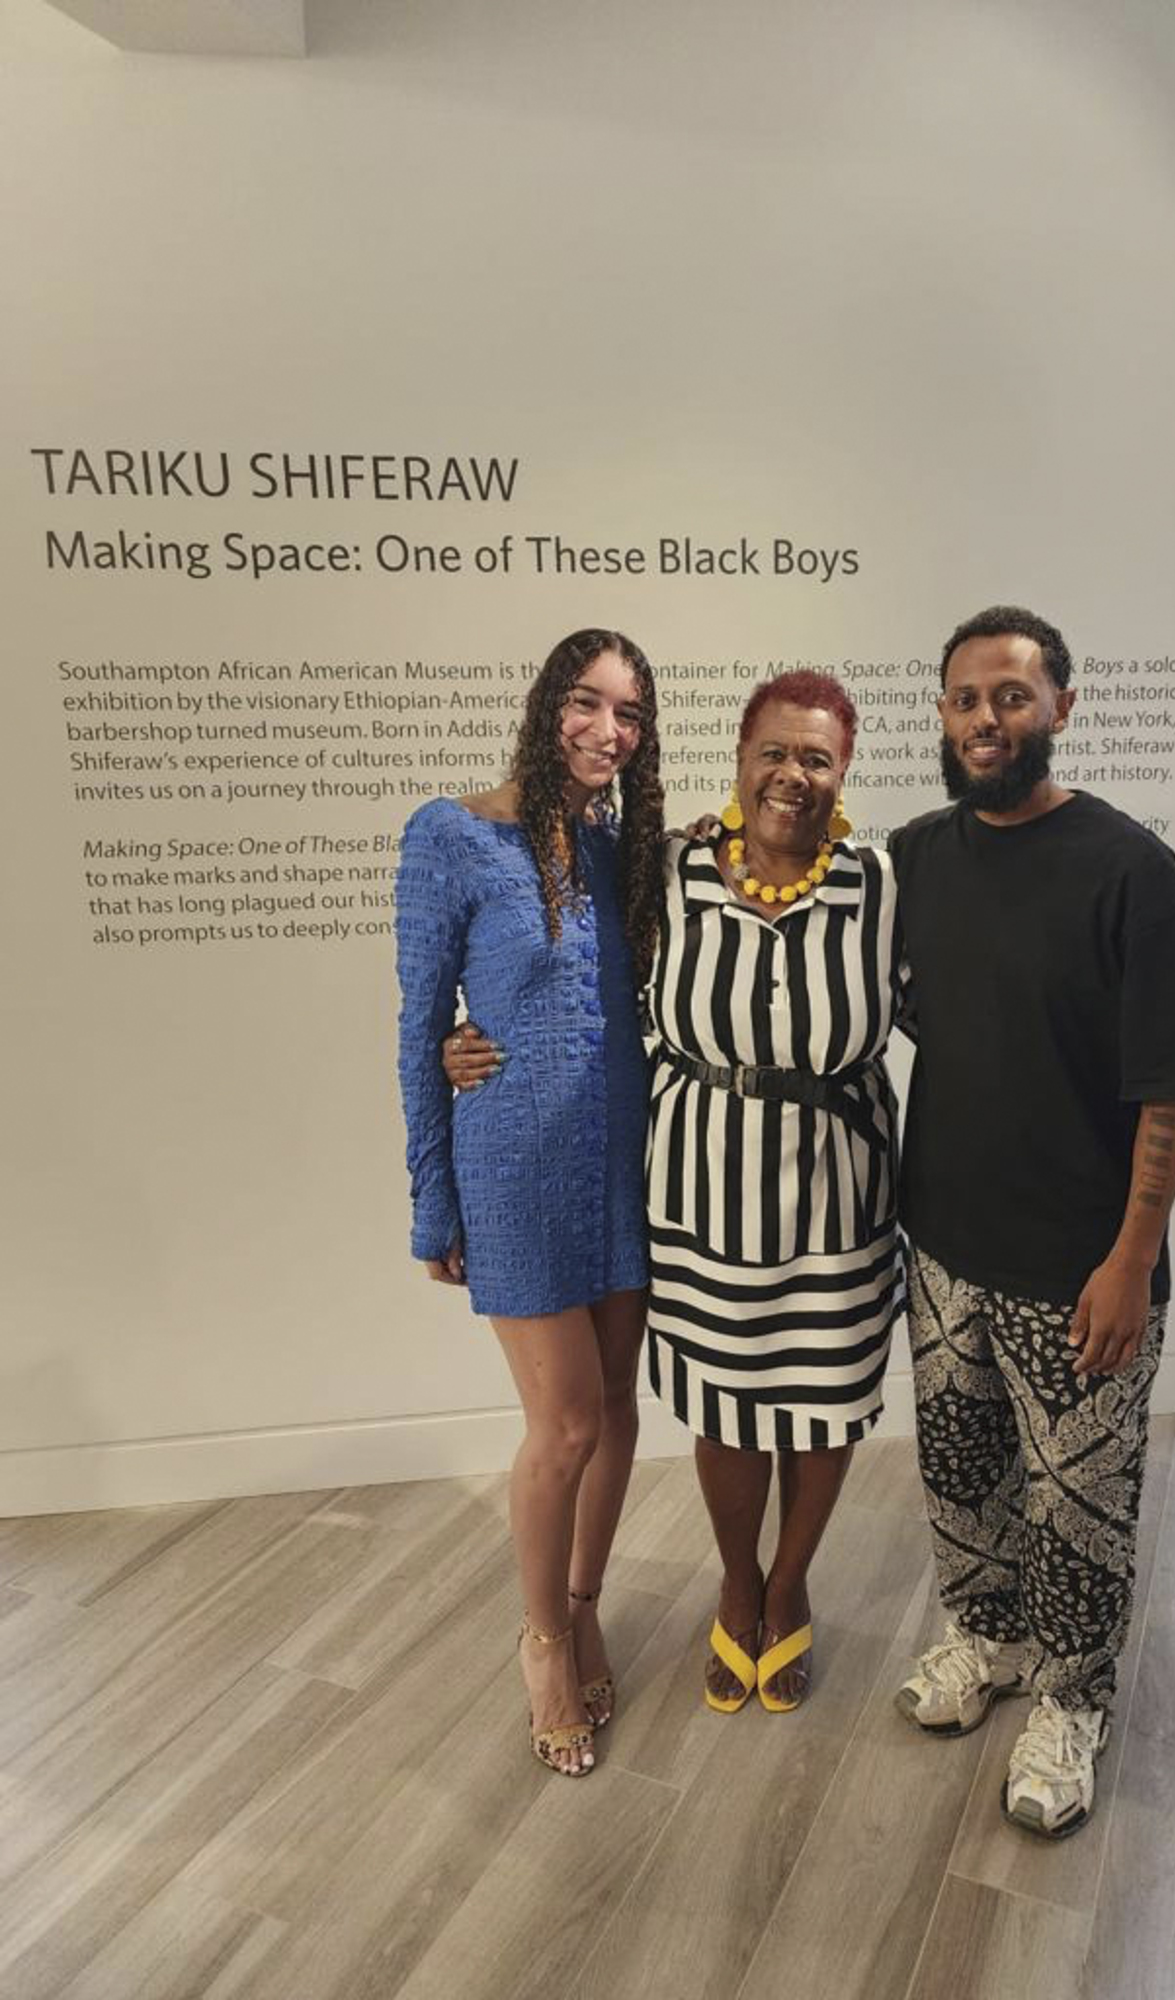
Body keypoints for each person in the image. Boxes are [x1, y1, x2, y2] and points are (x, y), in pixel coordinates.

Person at [446, 671, 904, 1714]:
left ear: (845, 770)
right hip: (701, 1189)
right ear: (740, 758)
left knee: (825, 1404)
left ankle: (789, 1591)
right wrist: (463, 1037)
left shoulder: (881, 883)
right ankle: (735, 1586)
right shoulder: (674, 868)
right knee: (729, 1407)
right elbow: (575, 980)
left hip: (841, 1189)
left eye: (819, 756)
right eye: (775, 752)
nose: (795, 773)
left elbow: (953, 1006)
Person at [891, 604, 1175, 1839]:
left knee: (1079, 1503)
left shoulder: (1132, 871)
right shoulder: (915, 855)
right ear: (942, 714)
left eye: (1014, 697)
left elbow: (1171, 1090)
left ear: (1062, 710)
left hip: (1080, 1266)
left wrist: (1131, 1261)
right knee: (960, 1469)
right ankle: (981, 1639)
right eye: (968, 698)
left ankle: (1071, 1702)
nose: (989, 719)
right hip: (941, 1247)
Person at [395, 627, 664, 1778]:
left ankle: (588, 1597)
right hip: (512, 1166)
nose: (609, 730)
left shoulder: (623, 851)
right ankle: (543, 1638)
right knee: (561, 1428)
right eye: (588, 701)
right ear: (546, 702)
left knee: (616, 1409)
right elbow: (420, 1029)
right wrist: (431, 1202)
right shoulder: (453, 835)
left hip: (625, 1164)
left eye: (632, 713)